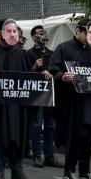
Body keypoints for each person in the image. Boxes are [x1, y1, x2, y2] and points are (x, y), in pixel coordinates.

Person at [0, 19, 41, 179]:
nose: (13, 34)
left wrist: (42, 75)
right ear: (0, 33)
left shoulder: (20, 53)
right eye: (9, 31)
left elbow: (27, 77)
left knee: (18, 137)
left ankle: (17, 172)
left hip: (16, 107)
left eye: (15, 31)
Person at [49, 19, 91, 179]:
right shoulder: (63, 48)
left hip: (90, 103)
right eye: (88, 32)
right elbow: (52, 71)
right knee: (74, 137)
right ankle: (69, 172)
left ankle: (85, 172)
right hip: (72, 103)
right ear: (78, 31)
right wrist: (62, 76)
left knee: (87, 137)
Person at [25, 25, 60, 168]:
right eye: (39, 34)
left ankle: (49, 156)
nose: (42, 36)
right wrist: (35, 68)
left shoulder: (52, 53)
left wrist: (53, 74)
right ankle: (37, 155)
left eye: (44, 33)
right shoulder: (29, 54)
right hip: (37, 95)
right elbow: (25, 74)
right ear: (33, 37)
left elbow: (57, 70)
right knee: (37, 125)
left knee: (51, 125)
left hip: (50, 93)